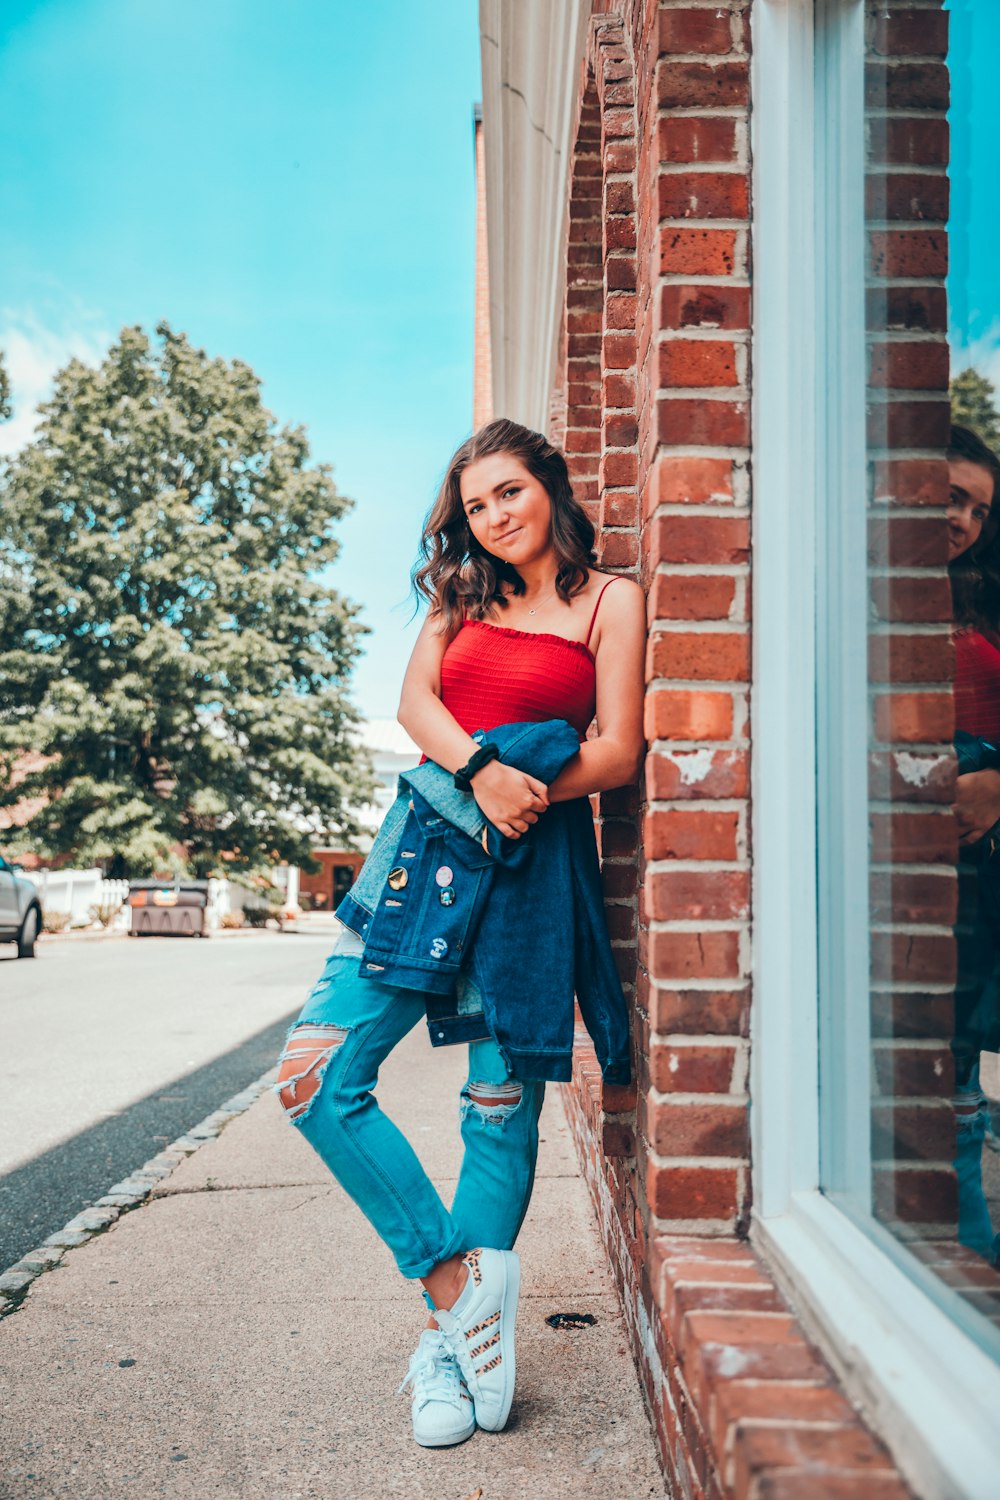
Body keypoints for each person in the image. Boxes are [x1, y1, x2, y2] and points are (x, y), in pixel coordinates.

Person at [274, 418, 646, 1446]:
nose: (493, 517)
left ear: (551, 490)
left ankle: (447, 1352)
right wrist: (483, 775)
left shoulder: (611, 601)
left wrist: (527, 792)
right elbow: (415, 704)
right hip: (417, 863)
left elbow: (616, 748)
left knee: (495, 1113)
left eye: (509, 494)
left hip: (528, 879)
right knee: (312, 1079)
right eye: (476, 504)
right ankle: (454, 1288)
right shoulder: (458, 596)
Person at [947, 423, 1000, 1265]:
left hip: (983, 854)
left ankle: (967, 1242)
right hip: (908, 852)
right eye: (950, 494)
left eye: (978, 509)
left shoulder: (987, 598)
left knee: (955, 1050)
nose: (961, 518)